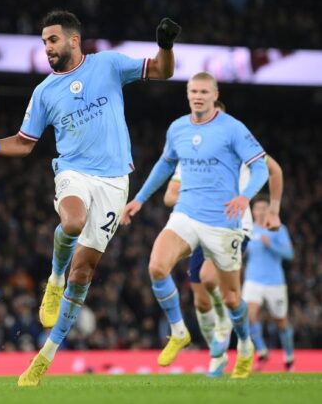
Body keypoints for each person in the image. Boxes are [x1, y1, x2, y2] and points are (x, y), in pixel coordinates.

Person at [0, 10, 180, 386]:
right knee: (72, 222)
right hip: (74, 172)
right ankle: (54, 277)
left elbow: (163, 71)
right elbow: (25, 143)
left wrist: (165, 45)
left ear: (74, 40)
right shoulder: (44, 91)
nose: (47, 48)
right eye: (44, 42)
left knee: (86, 271)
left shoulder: (108, 65)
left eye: (53, 40)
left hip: (114, 182)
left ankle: (45, 356)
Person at [121, 71, 269, 379]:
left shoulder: (233, 129)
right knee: (157, 267)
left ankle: (244, 344)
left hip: (224, 223)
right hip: (186, 214)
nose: (198, 96)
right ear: (188, 94)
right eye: (193, 91)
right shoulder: (178, 128)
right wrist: (139, 199)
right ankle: (178, 332)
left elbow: (262, 169)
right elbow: (165, 163)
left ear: (215, 95)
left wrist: (245, 197)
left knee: (230, 298)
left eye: (204, 91)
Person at [162, 100, 284, 377]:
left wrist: (274, 211)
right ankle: (217, 357)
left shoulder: (242, 145)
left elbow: (275, 170)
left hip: (234, 226)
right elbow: (169, 195)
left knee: (209, 278)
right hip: (199, 224)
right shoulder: (192, 154)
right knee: (201, 301)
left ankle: (235, 338)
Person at [243, 195, 294, 371]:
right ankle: (262, 351)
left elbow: (289, 255)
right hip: (253, 280)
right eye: (258, 208)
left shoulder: (278, 229)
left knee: (281, 321)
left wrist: (270, 245)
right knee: (249, 316)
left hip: (274, 282)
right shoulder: (248, 230)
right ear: (253, 211)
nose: (261, 211)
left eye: (265, 208)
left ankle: (288, 357)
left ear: (270, 210)